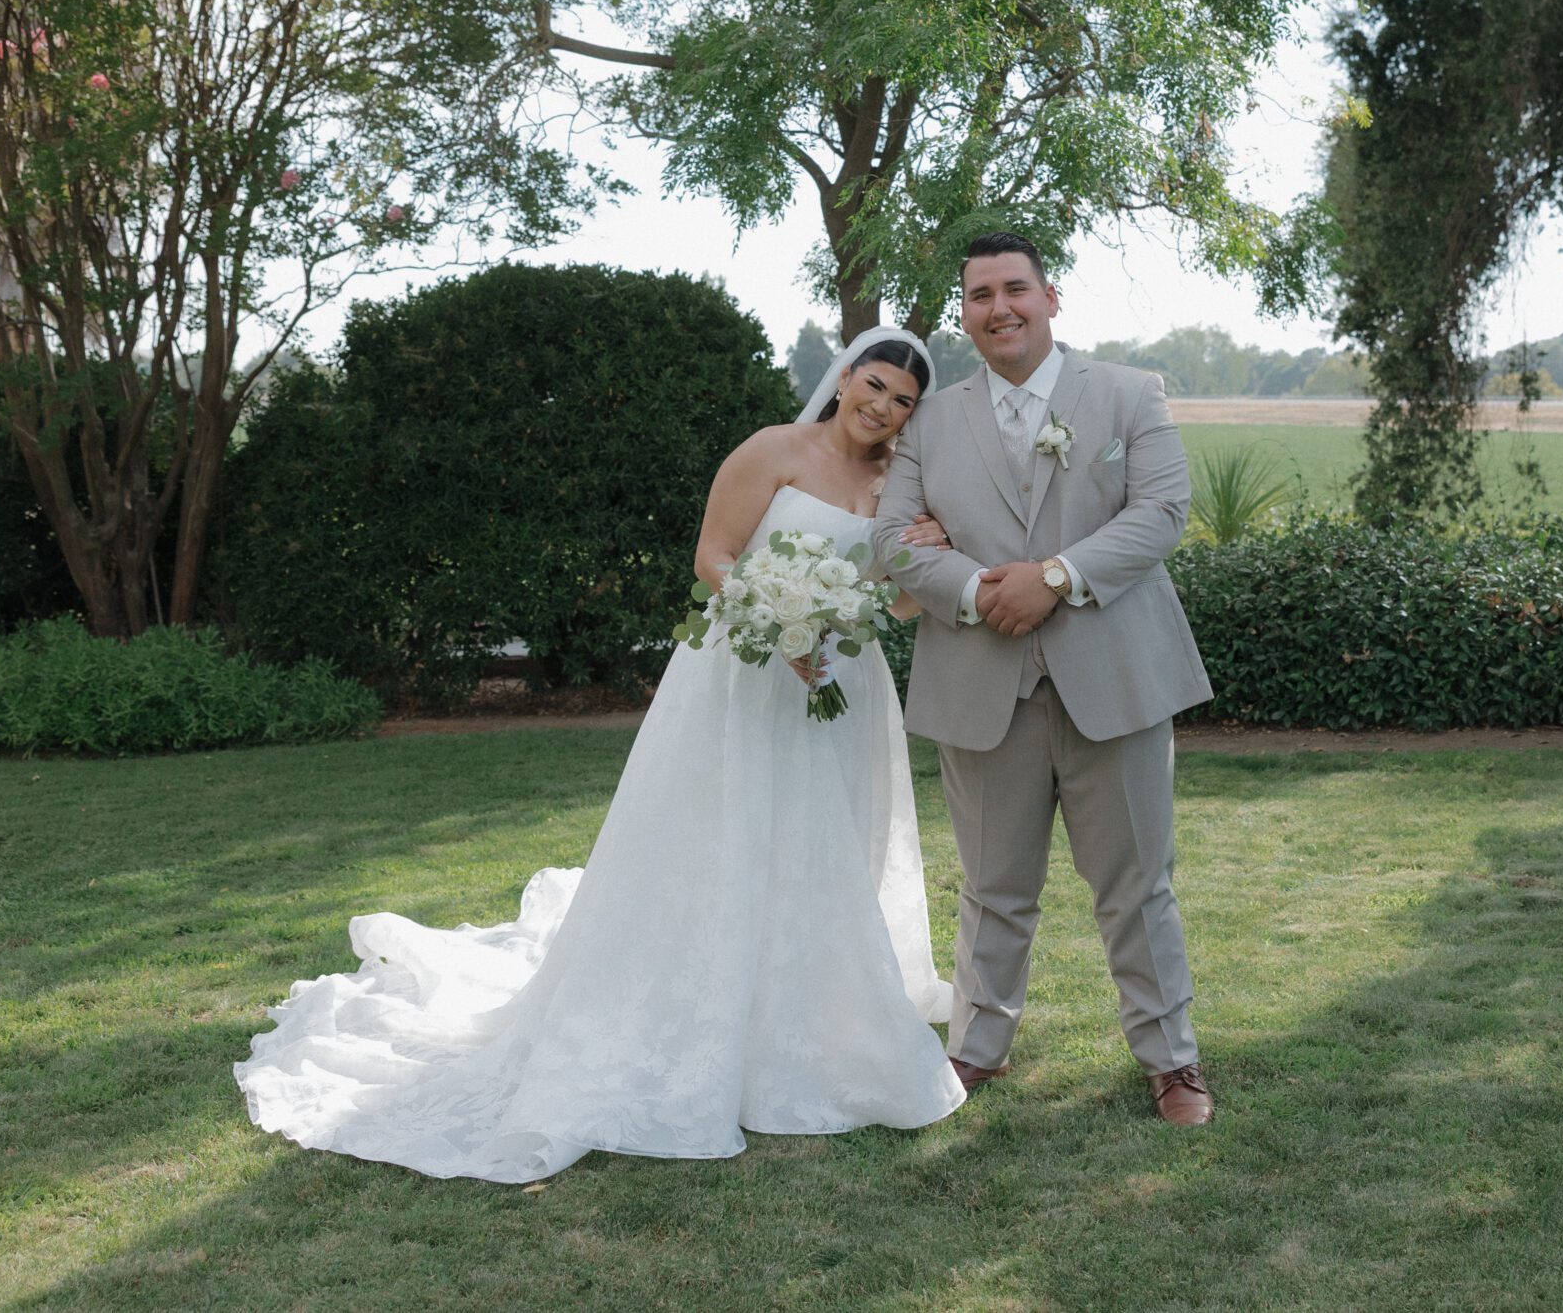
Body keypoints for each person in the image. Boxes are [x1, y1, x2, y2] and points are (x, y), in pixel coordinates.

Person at [235, 328, 968, 1183]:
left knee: (822, 846)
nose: (881, 408)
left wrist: (894, 581)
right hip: (739, 672)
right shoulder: (775, 450)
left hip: (836, 687)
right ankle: (704, 1005)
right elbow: (713, 557)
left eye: (901, 402)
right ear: (845, 378)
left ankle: (812, 1016)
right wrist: (774, 614)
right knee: (721, 837)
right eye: (873, 386)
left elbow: (905, 600)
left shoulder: (896, 487)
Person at [873, 233, 1219, 1126]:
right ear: (965, 314)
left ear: (1051, 298)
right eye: (980, 295)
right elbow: (889, 541)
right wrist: (976, 588)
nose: (1000, 308)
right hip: (982, 680)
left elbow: (1161, 513)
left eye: (1015, 289)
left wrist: (1054, 578)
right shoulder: (929, 422)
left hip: (1117, 680)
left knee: (1139, 884)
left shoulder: (1128, 394)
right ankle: (976, 1051)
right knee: (992, 885)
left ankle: (1171, 1061)